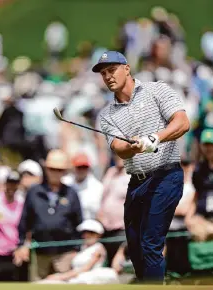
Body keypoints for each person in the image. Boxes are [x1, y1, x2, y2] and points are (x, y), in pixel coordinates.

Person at [93, 50, 190, 283]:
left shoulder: (157, 90)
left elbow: (182, 122)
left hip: (166, 175)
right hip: (137, 181)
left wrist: (155, 138)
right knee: (134, 247)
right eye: (103, 73)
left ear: (127, 68)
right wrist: (136, 147)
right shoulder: (107, 115)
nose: (108, 76)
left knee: (150, 242)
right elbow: (118, 147)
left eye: (112, 70)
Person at [14, 149, 83, 281]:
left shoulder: (71, 193)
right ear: (46, 169)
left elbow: (79, 223)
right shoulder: (34, 192)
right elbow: (24, 221)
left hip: (65, 254)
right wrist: (21, 245)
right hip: (40, 253)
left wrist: (76, 249)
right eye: (52, 169)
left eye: (59, 170)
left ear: (64, 171)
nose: (55, 173)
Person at [185, 129, 213, 261]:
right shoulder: (198, 170)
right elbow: (196, 194)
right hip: (203, 222)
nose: (209, 148)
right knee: (199, 256)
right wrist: (189, 216)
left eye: (212, 144)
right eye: (206, 145)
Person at [39, 219, 119, 284]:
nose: (86, 235)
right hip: (74, 277)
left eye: (91, 233)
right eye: (85, 232)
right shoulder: (82, 248)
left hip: (88, 278)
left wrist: (61, 276)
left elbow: (85, 269)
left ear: (98, 235)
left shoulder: (98, 248)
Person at [97, 155, 130, 266]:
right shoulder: (111, 172)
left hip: (123, 229)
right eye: (116, 154)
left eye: (122, 153)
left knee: (121, 266)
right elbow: (103, 197)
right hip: (106, 228)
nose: (119, 157)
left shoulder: (136, 174)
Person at [62, 152, 103, 220]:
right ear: (73, 167)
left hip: (88, 223)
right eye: (79, 167)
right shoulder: (65, 182)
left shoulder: (97, 187)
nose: (81, 170)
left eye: (84, 167)